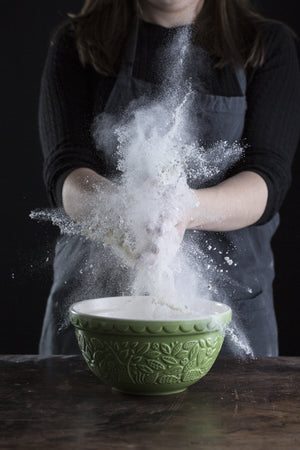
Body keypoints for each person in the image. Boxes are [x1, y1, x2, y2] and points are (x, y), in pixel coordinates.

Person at [38, 0, 300, 355]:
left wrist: (181, 209)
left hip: (227, 309)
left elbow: (267, 178)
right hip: (98, 311)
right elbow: (66, 170)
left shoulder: (265, 44)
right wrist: (130, 210)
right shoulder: (80, 42)